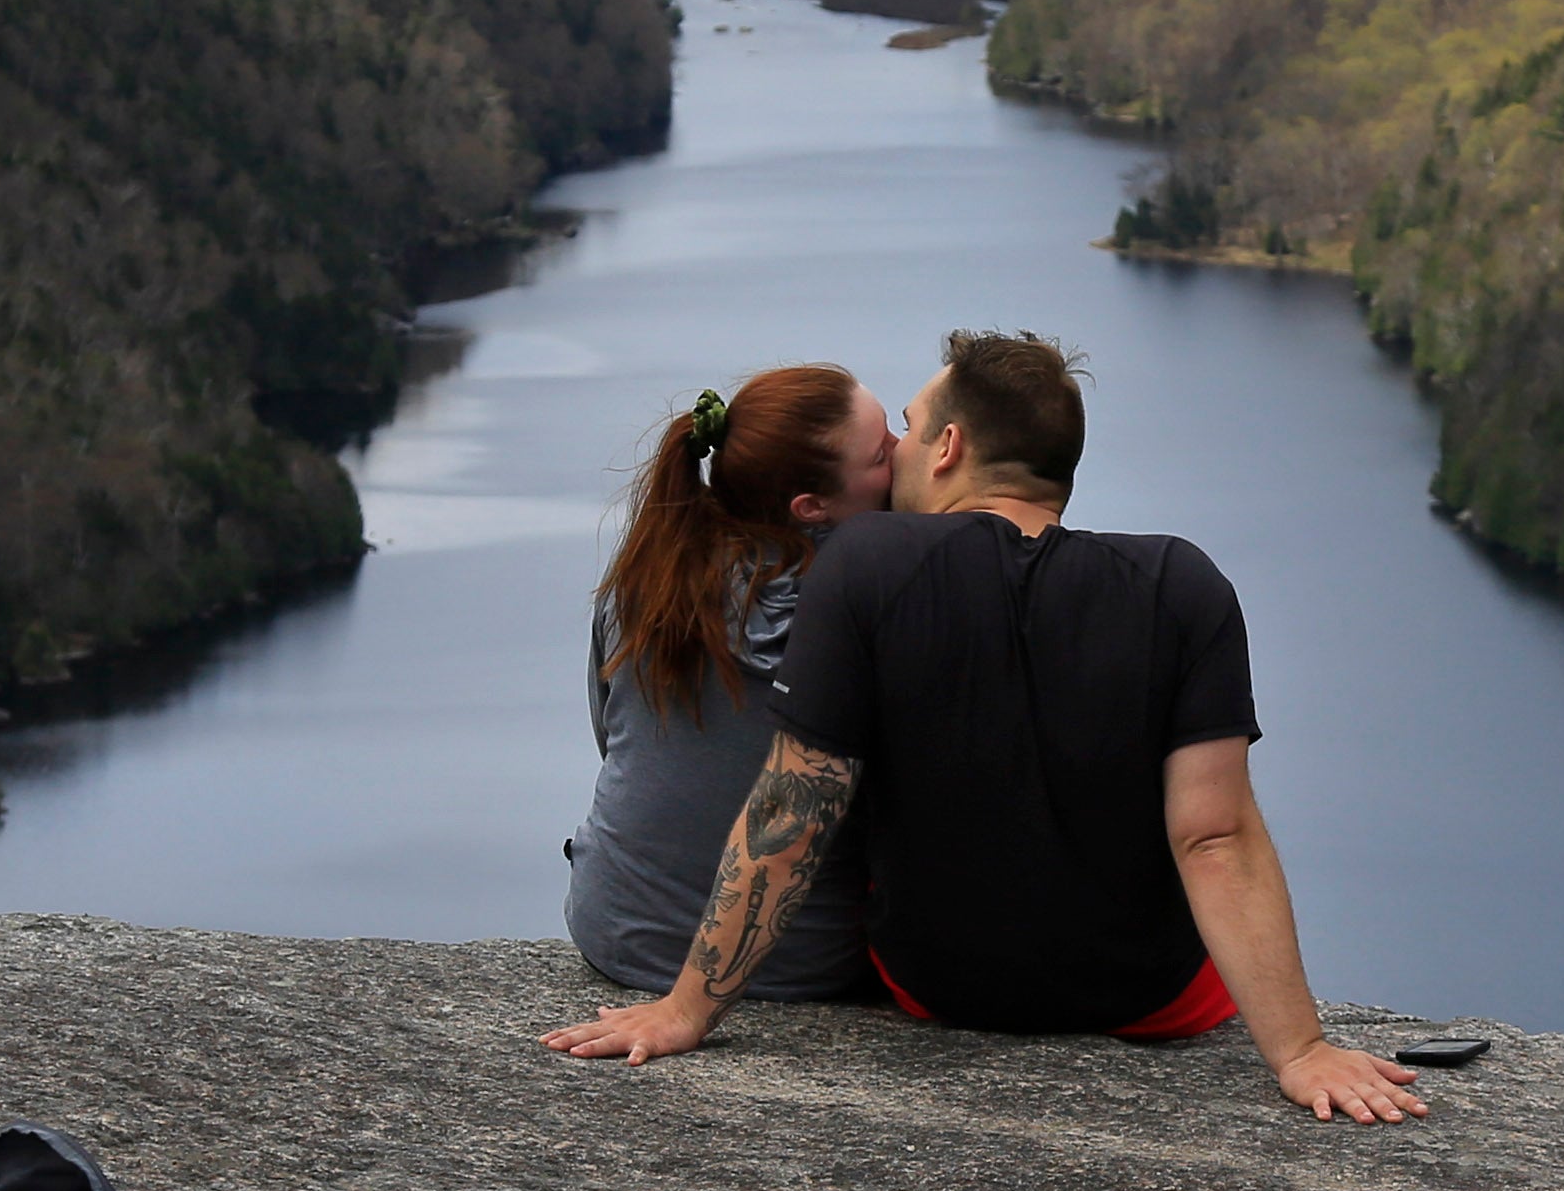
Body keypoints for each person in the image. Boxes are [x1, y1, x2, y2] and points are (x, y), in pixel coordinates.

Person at [542, 330, 1424, 1124]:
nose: (896, 455)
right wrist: (1302, 1052)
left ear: (950, 448)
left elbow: (791, 794)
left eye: (907, 428)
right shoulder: (1181, 583)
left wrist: (690, 1008)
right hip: (1152, 1002)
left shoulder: (832, 567)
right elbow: (1215, 836)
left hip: (911, 984)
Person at [563, 364, 895, 1001]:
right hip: (801, 962)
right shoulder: (867, 612)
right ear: (812, 506)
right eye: (882, 454)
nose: (908, 454)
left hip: (614, 932)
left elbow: (613, 738)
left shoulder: (649, 574)